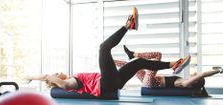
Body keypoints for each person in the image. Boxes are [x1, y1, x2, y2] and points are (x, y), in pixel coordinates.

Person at [24, 7, 193, 98]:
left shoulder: (70, 78)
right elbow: (52, 78)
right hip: (106, 84)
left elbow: (49, 76)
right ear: (56, 80)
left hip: (113, 81)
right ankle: (128, 25)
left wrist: (34, 77)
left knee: (138, 63)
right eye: (56, 74)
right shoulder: (68, 83)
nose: (58, 72)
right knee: (103, 48)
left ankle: (173, 64)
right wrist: (39, 77)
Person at [114, 45, 223, 89]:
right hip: (149, 80)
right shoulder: (182, 80)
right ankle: (112, 62)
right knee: (130, 66)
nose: (195, 73)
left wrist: (219, 70)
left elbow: (203, 74)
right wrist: (216, 69)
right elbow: (202, 75)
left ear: (195, 81)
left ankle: (132, 54)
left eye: (196, 76)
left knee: (158, 55)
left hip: (150, 83)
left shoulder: (182, 83)